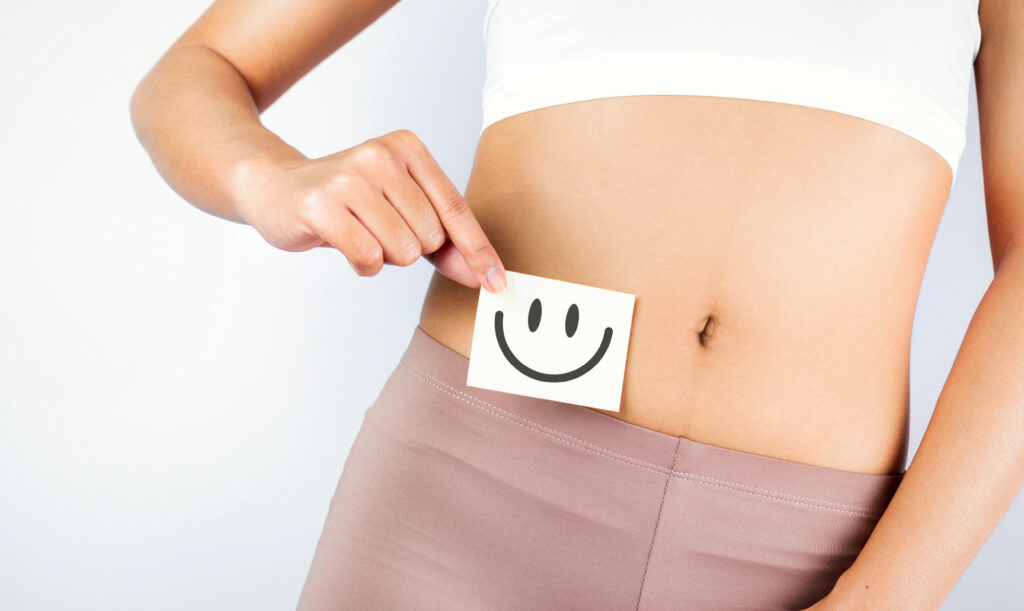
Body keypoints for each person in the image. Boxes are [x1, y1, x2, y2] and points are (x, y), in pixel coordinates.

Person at [130, 0, 1024, 608]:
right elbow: (199, 67)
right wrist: (268, 177)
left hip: (814, 557)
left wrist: (887, 600)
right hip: (465, 503)